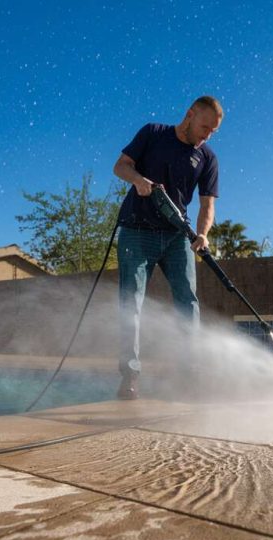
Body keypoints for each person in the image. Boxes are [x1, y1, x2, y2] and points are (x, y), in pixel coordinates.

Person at [111, 95, 223, 400]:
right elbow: (120, 166)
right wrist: (137, 180)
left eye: (213, 131)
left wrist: (202, 234)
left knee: (188, 301)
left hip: (178, 237)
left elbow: (207, 205)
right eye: (204, 127)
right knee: (131, 301)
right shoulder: (153, 133)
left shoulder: (207, 158)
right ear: (189, 115)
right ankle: (130, 377)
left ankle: (190, 374)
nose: (207, 135)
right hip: (137, 231)